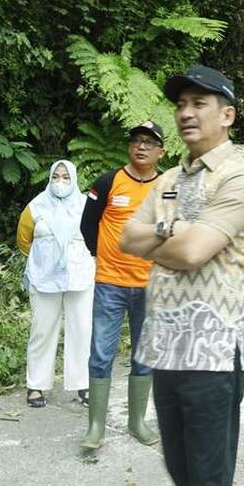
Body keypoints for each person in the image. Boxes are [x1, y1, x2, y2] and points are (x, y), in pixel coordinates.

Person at [120, 65, 244, 486]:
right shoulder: (167, 179)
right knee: (179, 466)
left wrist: (168, 237)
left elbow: (192, 252)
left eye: (199, 103)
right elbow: (127, 239)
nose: (186, 113)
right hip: (165, 344)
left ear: (227, 115)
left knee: (208, 478)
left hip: (213, 347)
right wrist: (174, 230)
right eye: (181, 104)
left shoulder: (240, 177)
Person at [78, 121, 166, 449]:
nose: (142, 147)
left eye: (149, 142)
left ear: (161, 152)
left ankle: (137, 422)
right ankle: (95, 427)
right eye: (137, 141)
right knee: (101, 353)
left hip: (150, 286)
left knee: (144, 355)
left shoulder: (169, 187)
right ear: (129, 147)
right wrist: (102, 255)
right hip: (110, 284)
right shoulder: (107, 182)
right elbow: (88, 225)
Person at [16, 160, 94, 407]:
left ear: (74, 179)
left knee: (82, 330)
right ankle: (36, 386)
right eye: (56, 177)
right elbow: (23, 240)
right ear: (49, 179)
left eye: (66, 177)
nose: (60, 182)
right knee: (42, 330)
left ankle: (84, 384)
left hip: (80, 276)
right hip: (44, 277)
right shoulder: (35, 206)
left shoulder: (86, 205)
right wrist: (45, 259)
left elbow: (97, 238)